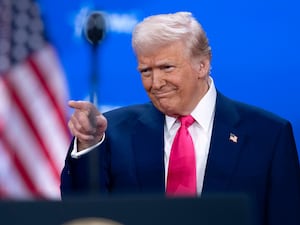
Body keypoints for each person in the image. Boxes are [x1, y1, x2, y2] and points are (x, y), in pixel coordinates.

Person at [60, 12, 300, 225]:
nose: (155, 83)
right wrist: (89, 145)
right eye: (146, 71)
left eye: (167, 68)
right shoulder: (113, 133)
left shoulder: (268, 136)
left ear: (202, 65)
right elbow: (84, 212)